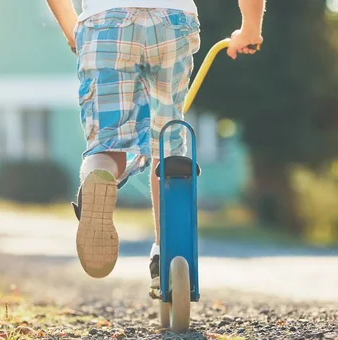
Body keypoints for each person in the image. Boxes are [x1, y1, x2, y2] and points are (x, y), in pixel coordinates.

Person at [45, 0, 265, 291]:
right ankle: (167, 251)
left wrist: (73, 29)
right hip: (172, 22)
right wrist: (250, 28)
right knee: (166, 143)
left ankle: (100, 178)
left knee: (106, 145)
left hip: (105, 21)